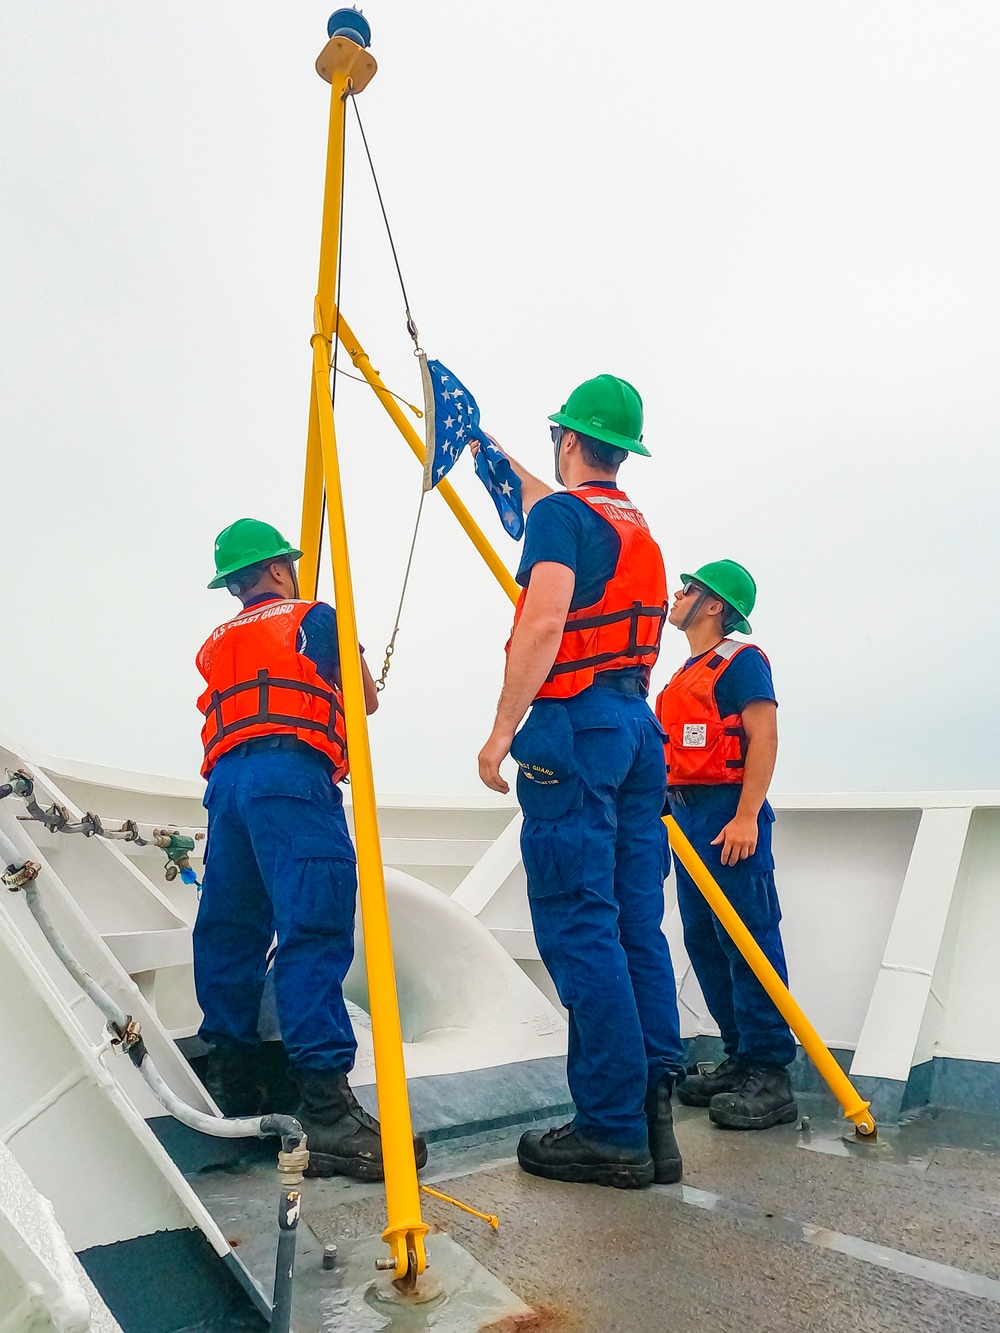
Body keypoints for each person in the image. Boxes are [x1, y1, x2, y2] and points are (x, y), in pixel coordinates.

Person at [477, 375, 686, 1190]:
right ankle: (653, 1123)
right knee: (637, 924)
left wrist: (501, 730)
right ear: (620, 451)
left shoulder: (562, 519)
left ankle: (607, 1129)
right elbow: (557, 504)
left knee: (579, 924)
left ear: (568, 441)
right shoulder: (638, 531)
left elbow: (544, 619)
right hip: (639, 731)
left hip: (579, 728)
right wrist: (490, 456)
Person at [194, 516, 426, 1179]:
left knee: (231, 929)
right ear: (273, 570)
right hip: (292, 776)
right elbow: (365, 699)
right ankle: (325, 1110)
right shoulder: (312, 615)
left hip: (228, 784)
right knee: (313, 928)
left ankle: (235, 1085)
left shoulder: (217, 639)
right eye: (287, 563)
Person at [654, 560, 798, 1130]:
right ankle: (741, 1058)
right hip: (686, 818)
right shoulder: (684, 673)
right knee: (705, 938)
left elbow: (763, 735)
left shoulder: (741, 664)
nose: (675, 595)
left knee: (749, 938)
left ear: (713, 605)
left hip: (728, 815)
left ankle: (771, 1072)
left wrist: (745, 817)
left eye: (687, 589)